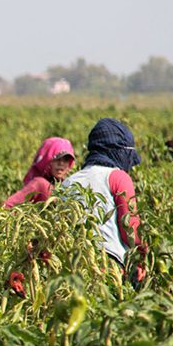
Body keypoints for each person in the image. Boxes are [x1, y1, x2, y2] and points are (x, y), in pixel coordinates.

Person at [62, 118, 146, 284]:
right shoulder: (117, 177)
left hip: (72, 266)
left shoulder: (68, 182)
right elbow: (130, 228)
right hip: (110, 264)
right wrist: (143, 254)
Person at [3, 137, 75, 209]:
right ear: (47, 160)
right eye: (57, 159)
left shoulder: (69, 187)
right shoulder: (40, 184)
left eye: (66, 160)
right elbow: (8, 205)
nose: (61, 163)